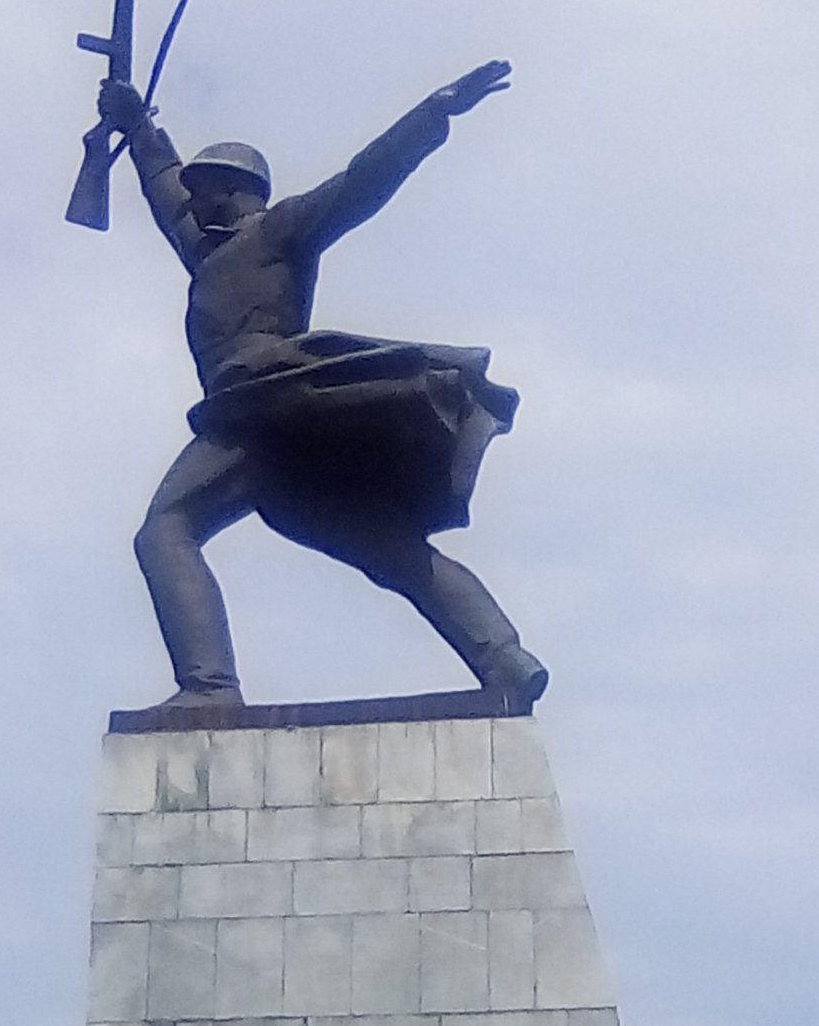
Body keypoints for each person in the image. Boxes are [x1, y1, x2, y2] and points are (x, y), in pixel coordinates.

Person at [95, 61, 549, 712]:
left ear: (234, 189)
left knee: (165, 529)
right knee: (386, 547)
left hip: (260, 409)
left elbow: (361, 182)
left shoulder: (280, 230)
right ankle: (505, 658)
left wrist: (434, 113)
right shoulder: (207, 253)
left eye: (203, 189)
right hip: (277, 441)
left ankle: (209, 687)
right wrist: (137, 124)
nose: (190, 202)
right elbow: (165, 191)